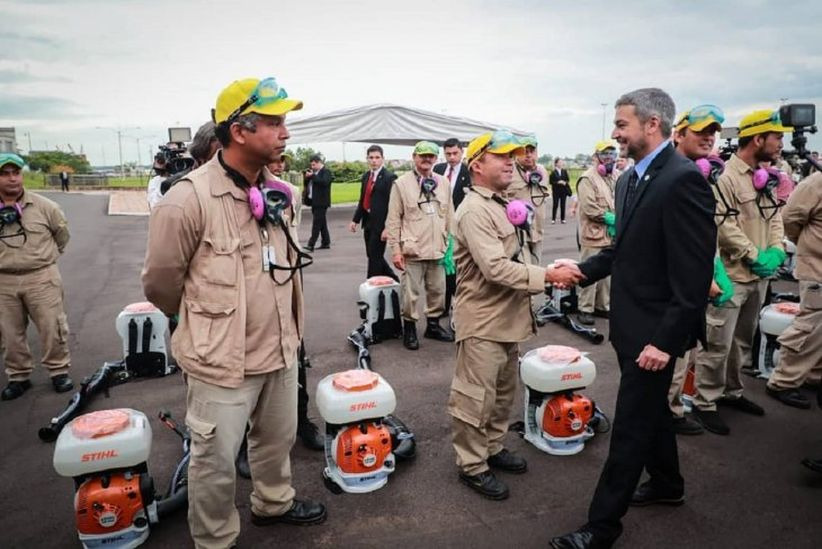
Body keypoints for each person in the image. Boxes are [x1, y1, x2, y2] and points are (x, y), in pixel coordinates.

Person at [142, 76, 326, 548]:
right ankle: (215, 538)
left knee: (276, 442)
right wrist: (204, 324)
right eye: (274, 122)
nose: (285, 132)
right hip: (220, 361)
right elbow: (161, 284)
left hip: (280, 350)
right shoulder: (186, 200)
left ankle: (273, 503)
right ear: (239, 130)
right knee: (215, 461)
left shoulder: (280, 193)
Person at [550, 88, 716, 549]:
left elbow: (693, 275)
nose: (615, 133)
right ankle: (668, 484)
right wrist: (581, 270)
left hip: (655, 334)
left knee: (629, 427)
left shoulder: (683, 180)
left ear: (652, 124)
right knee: (652, 412)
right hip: (629, 328)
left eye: (621, 124)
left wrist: (665, 342)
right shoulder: (628, 181)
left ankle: (601, 526)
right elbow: (624, 251)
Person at [448, 131, 583, 500]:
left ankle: (492, 447)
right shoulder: (474, 210)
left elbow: (518, 256)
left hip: (508, 317)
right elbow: (495, 268)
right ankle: (472, 464)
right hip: (483, 321)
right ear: (477, 165)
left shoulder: (500, 203)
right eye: (501, 156)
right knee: (475, 397)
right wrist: (549, 277)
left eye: (513, 155)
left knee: (503, 393)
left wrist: (545, 272)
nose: (511, 161)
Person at [691, 109, 789, 436]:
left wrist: (776, 250)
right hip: (732, 276)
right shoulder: (725, 177)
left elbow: (776, 217)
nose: (781, 143)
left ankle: (732, 392)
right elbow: (723, 226)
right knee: (717, 343)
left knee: (743, 342)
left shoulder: (766, 177)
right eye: (777, 137)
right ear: (758, 139)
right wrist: (754, 255)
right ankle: (705, 402)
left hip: (759, 277)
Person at [667, 104, 730, 436]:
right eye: (701, 131)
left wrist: (713, 266)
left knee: (685, 352)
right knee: (672, 353)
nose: (709, 138)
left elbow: (703, 233)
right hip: (676, 288)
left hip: (693, 283)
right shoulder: (674, 176)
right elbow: (677, 241)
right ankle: (666, 414)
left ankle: (672, 408)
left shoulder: (696, 175)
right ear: (678, 134)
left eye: (713, 133)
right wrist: (704, 277)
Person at [0, 152, 74, 400]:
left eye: (16, 173)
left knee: (52, 327)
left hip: (41, 276)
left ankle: (58, 371)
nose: (12, 178)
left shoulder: (46, 207)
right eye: (5, 174)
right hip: (3, 280)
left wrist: (44, 259)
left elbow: (62, 236)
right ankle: (18, 376)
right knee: (9, 333)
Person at [385, 141, 454, 350]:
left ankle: (433, 325)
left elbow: (450, 216)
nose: (426, 159)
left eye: (430, 156)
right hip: (412, 250)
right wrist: (395, 251)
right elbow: (393, 220)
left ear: (435, 159)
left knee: (438, 291)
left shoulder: (444, 183)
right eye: (422, 155)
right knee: (410, 294)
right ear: (414, 157)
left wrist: (452, 246)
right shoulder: (401, 184)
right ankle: (410, 328)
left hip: (438, 249)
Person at [765, 170, 822, 409]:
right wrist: (807, 245)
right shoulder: (817, 182)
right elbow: (790, 217)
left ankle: (812, 375)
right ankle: (783, 381)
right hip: (817, 267)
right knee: (810, 326)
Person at [574, 140, 618, 326]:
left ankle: (602, 306)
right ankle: (585, 308)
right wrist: (611, 218)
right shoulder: (587, 179)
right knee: (589, 272)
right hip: (592, 234)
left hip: (611, 235)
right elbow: (590, 208)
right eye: (604, 153)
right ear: (596, 156)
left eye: (612, 153)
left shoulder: (616, 176)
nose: (609, 157)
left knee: (607, 275)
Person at [349, 145, 398, 279]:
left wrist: (388, 227)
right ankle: (393, 279)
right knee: (372, 255)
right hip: (368, 222)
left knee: (375, 257)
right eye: (371, 158)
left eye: (377, 157)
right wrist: (355, 220)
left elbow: (394, 205)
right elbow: (363, 199)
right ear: (367, 159)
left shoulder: (389, 177)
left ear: (382, 159)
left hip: (381, 224)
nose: (374, 161)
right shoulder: (366, 176)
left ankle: (371, 284)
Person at [503, 136, 550, 261]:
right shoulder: (509, 172)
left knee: (536, 268)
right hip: (517, 235)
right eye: (524, 152)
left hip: (537, 232)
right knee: (524, 270)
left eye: (532, 151)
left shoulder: (543, 172)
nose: (528, 155)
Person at [304, 154, 332, 251]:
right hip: (314, 202)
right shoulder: (314, 174)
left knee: (316, 224)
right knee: (322, 223)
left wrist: (313, 176)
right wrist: (307, 177)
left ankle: (311, 244)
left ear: (319, 163)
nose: (312, 167)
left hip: (322, 202)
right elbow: (308, 185)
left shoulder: (326, 172)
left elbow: (324, 182)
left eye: (314, 165)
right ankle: (326, 242)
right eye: (311, 165)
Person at [434, 138, 472, 210]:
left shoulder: (469, 172)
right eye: (448, 154)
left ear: (462, 152)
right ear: (444, 153)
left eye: (455, 153)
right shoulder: (437, 169)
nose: (452, 157)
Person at [549, 158, 571, 224]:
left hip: (563, 191)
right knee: (555, 204)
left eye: (561, 162)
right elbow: (551, 182)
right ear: (556, 164)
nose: (561, 163)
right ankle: (553, 219)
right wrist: (558, 182)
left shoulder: (564, 171)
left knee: (563, 205)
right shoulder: (553, 172)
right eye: (559, 162)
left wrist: (565, 182)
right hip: (556, 191)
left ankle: (563, 219)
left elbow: (567, 179)